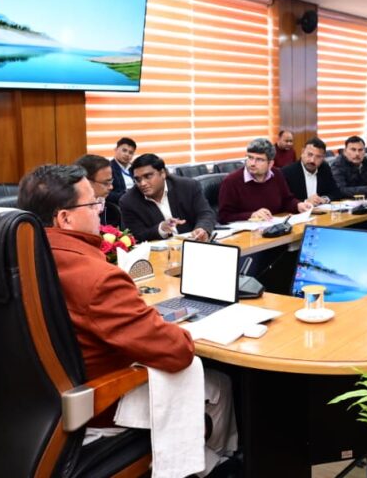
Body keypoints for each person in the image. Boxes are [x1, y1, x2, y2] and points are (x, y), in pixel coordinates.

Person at [17, 164, 237, 473]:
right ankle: (216, 467)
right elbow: (177, 352)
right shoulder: (96, 277)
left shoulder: (18, 260)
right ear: (65, 218)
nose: (100, 210)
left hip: (35, 408)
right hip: (101, 406)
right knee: (219, 383)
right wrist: (167, 326)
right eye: (93, 203)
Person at [119, 153, 216, 242]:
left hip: (193, 244)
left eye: (148, 176)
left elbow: (205, 213)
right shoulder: (128, 201)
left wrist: (202, 228)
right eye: (138, 179)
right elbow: (137, 235)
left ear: (163, 173)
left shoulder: (188, 186)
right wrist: (161, 228)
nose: (142, 183)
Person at [217, 138, 312, 222]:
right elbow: (224, 216)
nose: (252, 163)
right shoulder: (231, 181)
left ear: (270, 164)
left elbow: (286, 200)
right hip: (246, 233)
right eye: (250, 157)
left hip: (273, 228)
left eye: (259, 159)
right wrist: (251, 215)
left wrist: (298, 205)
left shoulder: (277, 174)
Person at [281, 137, 344, 205]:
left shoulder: (324, 168)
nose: (312, 160)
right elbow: (284, 200)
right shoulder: (287, 172)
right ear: (302, 152)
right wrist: (305, 202)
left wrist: (324, 199)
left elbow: (336, 192)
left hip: (321, 210)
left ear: (323, 158)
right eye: (310, 154)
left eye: (318, 157)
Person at [75, 154, 122, 228]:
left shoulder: (112, 211)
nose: (111, 187)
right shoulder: (72, 213)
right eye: (106, 183)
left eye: (111, 181)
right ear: (86, 181)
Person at [108, 137, 137, 207]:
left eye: (131, 153)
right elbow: (107, 194)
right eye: (124, 150)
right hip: (120, 205)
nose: (127, 154)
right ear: (116, 149)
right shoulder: (108, 168)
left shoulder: (134, 168)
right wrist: (127, 194)